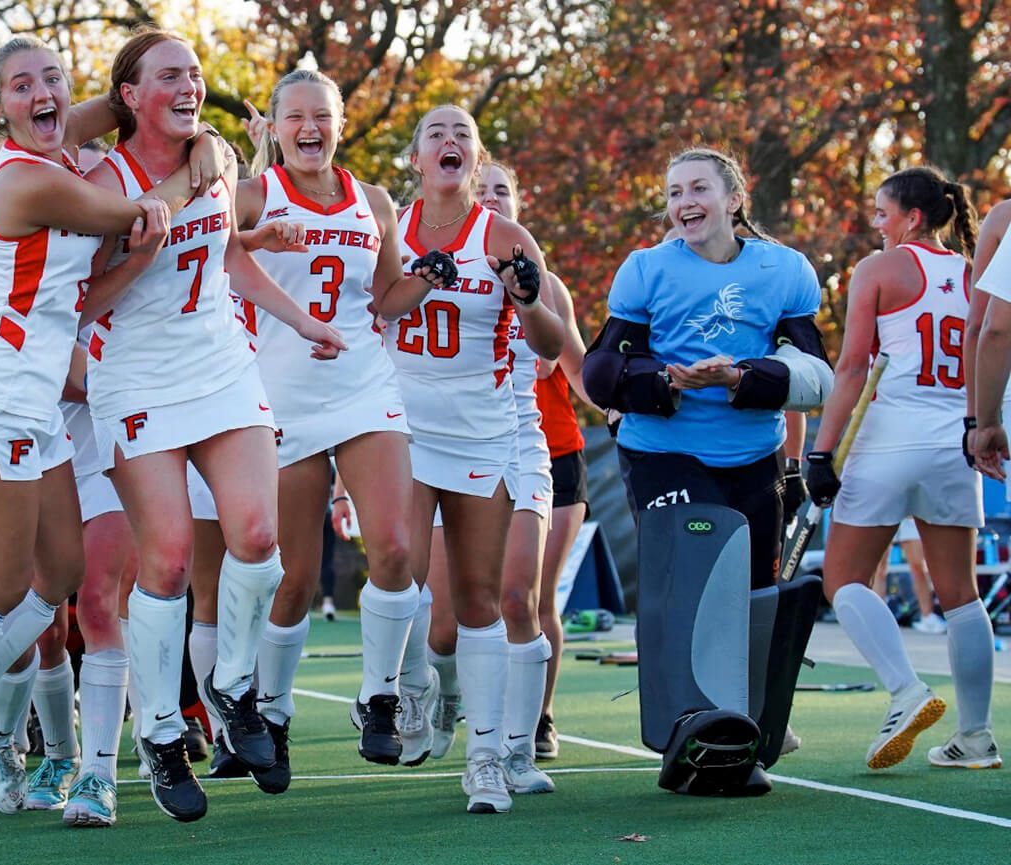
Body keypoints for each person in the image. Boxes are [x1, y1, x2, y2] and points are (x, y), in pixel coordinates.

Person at [0, 35, 220, 827]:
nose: (42, 93)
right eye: (20, 86)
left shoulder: (54, 143)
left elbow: (133, 113)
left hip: (36, 401)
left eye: (53, 79)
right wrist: (206, 169)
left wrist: (209, 139)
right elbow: (136, 208)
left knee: (57, 574)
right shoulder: (23, 177)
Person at [78, 29, 345, 823]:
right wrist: (139, 243)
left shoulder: (214, 159)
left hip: (221, 363)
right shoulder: (99, 183)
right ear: (129, 97)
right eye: (170, 76)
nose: (191, 86)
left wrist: (300, 320)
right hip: (133, 377)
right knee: (162, 563)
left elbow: (228, 256)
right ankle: (160, 732)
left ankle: (232, 688)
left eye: (195, 73)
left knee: (259, 535)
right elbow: (78, 305)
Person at [582, 147, 831, 796]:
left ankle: (740, 735)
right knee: (697, 586)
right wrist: (663, 378)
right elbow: (601, 371)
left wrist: (744, 376)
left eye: (697, 188)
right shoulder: (645, 269)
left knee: (751, 597)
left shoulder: (786, 270)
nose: (683, 202)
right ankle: (688, 727)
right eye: (672, 192)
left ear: (733, 200)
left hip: (754, 454)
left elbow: (817, 375)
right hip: (663, 448)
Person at [232, 68, 438, 787]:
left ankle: (378, 695)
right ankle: (275, 710)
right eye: (296, 116)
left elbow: (385, 297)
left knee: (396, 547)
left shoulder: (374, 200)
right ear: (276, 128)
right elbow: (210, 252)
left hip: (361, 385)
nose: (310, 127)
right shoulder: (256, 194)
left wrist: (427, 276)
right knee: (291, 577)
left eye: (322, 115)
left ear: (339, 124)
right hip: (283, 396)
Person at [388, 104, 564, 813]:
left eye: (462, 133)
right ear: (416, 157)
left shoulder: (506, 236)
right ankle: (406, 689)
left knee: (482, 600)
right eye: (436, 132)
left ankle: (490, 756)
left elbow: (551, 343)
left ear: (476, 154)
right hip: (401, 424)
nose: (450, 141)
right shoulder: (385, 228)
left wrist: (525, 296)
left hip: (484, 431)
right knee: (397, 563)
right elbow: (368, 309)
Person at [811, 166, 998, 770]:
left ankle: (906, 692)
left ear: (912, 217)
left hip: (888, 441)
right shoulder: (976, 273)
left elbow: (851, 370)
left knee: (842, 580)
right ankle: (976, 737)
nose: (875, 221)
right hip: (955, 444)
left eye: (881, 211)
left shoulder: (877, 269)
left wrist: (820, 450)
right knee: (963, 598)